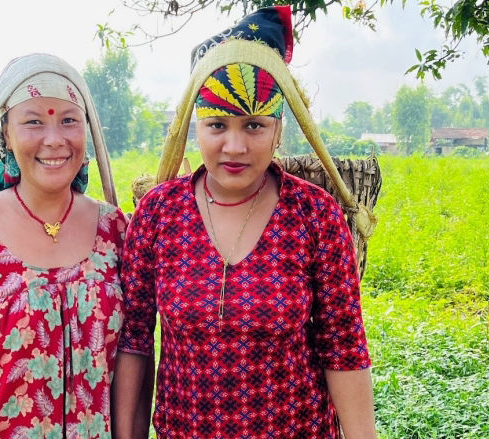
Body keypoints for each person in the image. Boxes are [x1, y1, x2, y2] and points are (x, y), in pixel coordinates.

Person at [113, 5, 376, 439]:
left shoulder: (315, 216)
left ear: (279, 129)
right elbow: (136, 342)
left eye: (253, 125)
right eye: (217, 125)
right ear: (194, 126)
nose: (234, 146)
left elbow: (343, 349)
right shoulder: (158, 215)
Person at [0, 53, 126, 439]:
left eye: (69, 120)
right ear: (7, 135)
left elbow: (132, 357)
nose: (54, 139)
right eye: (33, 122)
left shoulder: (115, 231)